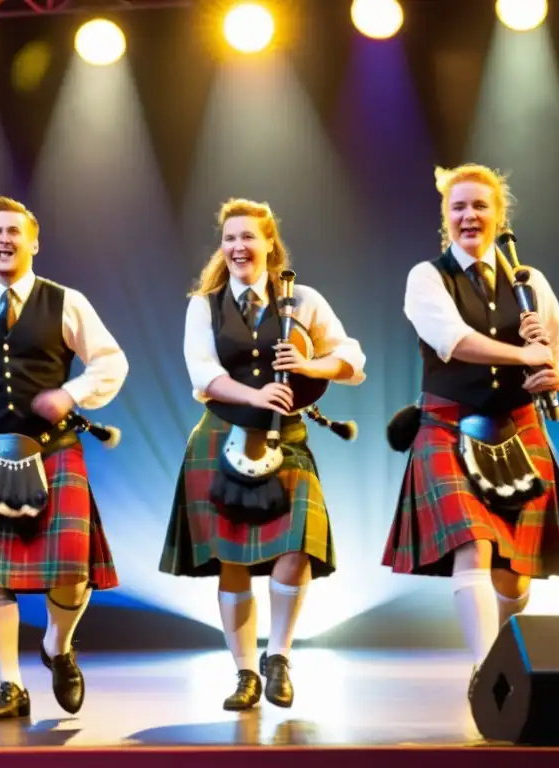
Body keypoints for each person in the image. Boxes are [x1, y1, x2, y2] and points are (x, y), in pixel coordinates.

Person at [381, 163, 559, 685]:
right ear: (445, 218)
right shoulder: (427, 277)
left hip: (518, 429)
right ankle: (487, 674)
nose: (469, 216)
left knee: (515, 570)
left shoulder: (530, 283)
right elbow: (452, 340)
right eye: (458, 207)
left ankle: (509, 662)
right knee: (472, 542)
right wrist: (524, 356)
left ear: (499, 217)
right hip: (449, 426)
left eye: (480, 206)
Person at [0, 195, 128, 720]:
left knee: (72, 572)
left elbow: (110, 361)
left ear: (34, 242)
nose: (4, 240)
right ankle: (10, 685)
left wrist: (73, 393)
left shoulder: (66, 302)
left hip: (52, 449)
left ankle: (58, 646)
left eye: (14, 231)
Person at [159, 198, 366, 711]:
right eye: (229, 238)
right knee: (231, 560)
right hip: (220, 437)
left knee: (296, 548)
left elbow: (352, 359)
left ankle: (279, 656)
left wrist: (309, 365)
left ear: (269, 244)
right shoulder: (202, 305)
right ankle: (245, 673)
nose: (237, 247)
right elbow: (202, 374)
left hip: (286, 439)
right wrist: (254, 396)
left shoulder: (303, 301)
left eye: (248, 237)